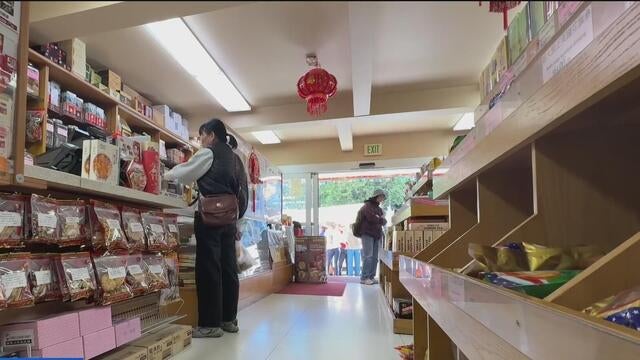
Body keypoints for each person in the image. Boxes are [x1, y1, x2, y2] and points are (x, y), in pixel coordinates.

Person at [164, 118, 248, 338]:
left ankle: (210, 324)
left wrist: (164, 174)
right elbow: (243, 192)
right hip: (229, 218)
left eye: (202, 136)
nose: (200, 141)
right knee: (229, 269)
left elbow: (185, 173)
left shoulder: (209, 152)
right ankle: (229, 320)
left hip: (209, 217)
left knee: (209, 268)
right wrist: (238, 219)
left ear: (211, 135)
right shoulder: (235, 158)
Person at [358, 189, 387, 285]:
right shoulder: (367, 206)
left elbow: (382, 220)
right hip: (367, 234)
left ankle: (371, 276)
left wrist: (379, 219)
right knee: (368, 256)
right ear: (377, 196)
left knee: (374, 257)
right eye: (382, 197)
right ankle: (364, 277)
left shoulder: (378, 208)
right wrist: (380, 219)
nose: (383, 199)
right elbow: (372, 218)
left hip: (376, 234)